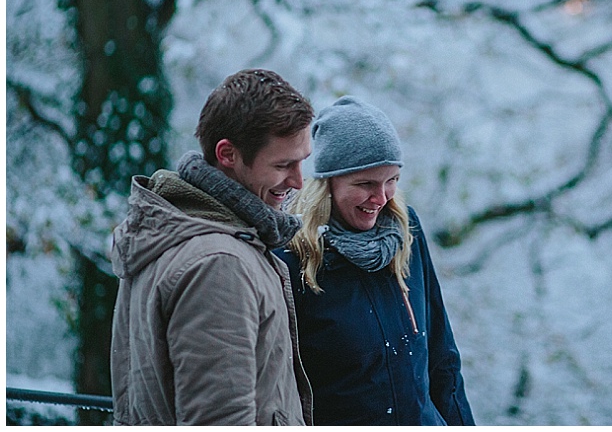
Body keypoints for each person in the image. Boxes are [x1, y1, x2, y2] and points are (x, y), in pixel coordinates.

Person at [110, 69, 315, 426]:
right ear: (227, 155)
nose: (298, 181)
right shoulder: (219, 263)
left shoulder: (184, 234)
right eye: (283, 165)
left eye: (302, 162)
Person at [278, 95, 476, 426]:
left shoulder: (406, 231)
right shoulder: (290, 257)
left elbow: (443, 359)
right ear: (327, 183)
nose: (381, 198)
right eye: (366, 184)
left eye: (392, 181)